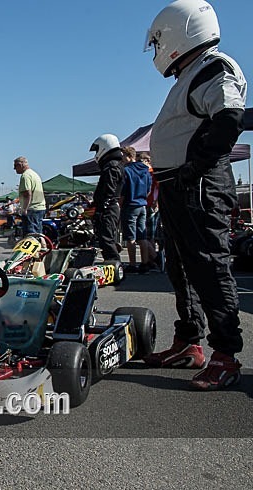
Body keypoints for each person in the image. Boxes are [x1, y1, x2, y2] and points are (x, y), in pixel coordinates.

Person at [142, 0, 246, 390]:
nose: (156, 52)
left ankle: (225, 355)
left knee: (208, 264)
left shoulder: (215, 67)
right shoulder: (191, 73)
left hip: (198, 182)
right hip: (177, 183)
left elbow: (229, 119)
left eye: (157, 42)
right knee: (181, 265)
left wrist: (194, 168)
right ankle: (190, 341)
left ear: (176, 33)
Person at [89, 134, 124, 262]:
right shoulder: (112, 165)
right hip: (108, 206)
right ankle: (110, 262)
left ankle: (114, 263)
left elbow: (109, 189)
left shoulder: (112, 166)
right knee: (104, 237)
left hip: (108, 207)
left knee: (106, 237)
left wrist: (102, 206)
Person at [120, 146, 152, 273]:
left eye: (122, 156)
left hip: (130, 204)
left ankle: (133, 264)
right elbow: (148, 189)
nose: (121, 159)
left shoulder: (126, 170)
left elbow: (123, 190)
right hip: (142, 204)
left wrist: (120, 204)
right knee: (142, 236)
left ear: (128, 156)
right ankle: (145, 263)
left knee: (130, 237)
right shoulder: (145, 170)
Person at [13, 156, 46, 235]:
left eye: (15, 166)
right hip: (40, 208)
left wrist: (24, 209)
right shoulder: (34, 174)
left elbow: (28, 194)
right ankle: (43, 246)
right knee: (38, 233)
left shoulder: (25, 176)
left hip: (31, 209)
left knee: (31, 235)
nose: (14, 169)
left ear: (20, 165)